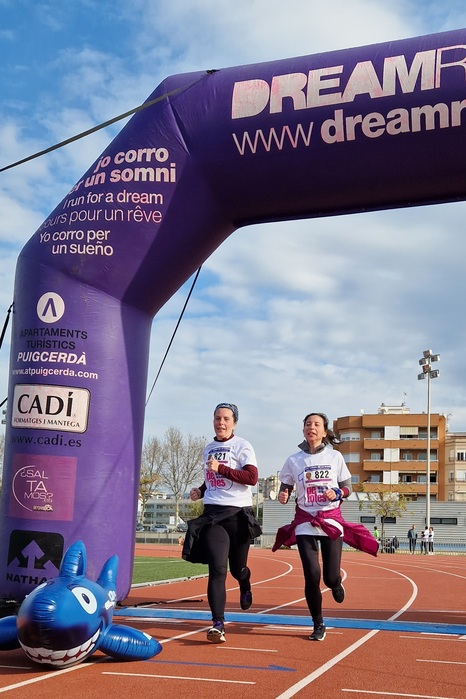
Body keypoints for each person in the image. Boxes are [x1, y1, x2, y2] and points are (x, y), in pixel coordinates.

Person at [272, 412, 378, 642]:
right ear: (303, 430)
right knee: (312, 575)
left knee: (329, 577)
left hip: (330, 521)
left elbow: (348, 488)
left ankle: (336, 583)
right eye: (307, 424)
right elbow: (285, 485)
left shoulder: (335, 457)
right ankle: (318, 623)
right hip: (305, 522)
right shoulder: (294, 460)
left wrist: (338, 492)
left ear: (324, 431)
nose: (311, 427)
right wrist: (283, 494)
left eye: (316, 424)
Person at [182, 403, 261, 644]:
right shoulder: (208, 448)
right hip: (213, 515)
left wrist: (222, 468)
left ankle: (245, 583)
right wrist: (201, 490)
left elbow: (251, 478)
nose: (221, 423)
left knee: (237, 569)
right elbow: (211, 478)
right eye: (218, 418)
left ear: (234, 423)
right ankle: (218, 624)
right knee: (217, 569)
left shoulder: (242, 445)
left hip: (237, 515)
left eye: (226, 419)